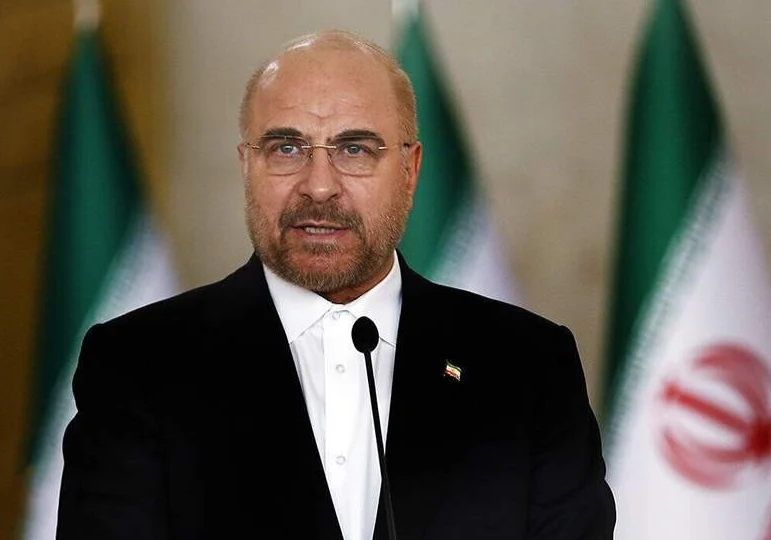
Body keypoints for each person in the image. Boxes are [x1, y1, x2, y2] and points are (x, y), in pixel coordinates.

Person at [56, 30, 615, 540]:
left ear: (410, 171)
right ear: (247, 166)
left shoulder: (528, 365)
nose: (319, 187)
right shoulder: (138, 366)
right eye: (286, 148)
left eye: (355, 150)